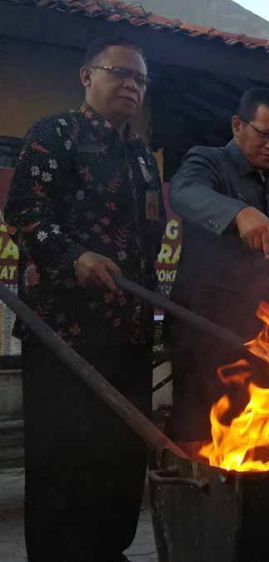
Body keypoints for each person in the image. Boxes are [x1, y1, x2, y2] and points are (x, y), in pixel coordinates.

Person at [5, 36, 163, 561]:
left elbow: (150, 234)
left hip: (130, 330)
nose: (131, 86)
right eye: (120, 73)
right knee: (64, 456)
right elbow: (24, 212)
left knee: (121, 452)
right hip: (64, 332)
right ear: (86, 76)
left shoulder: (141, 153)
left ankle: (109, 550)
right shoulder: (56, 135)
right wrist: (75, 257)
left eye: (140, 79)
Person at [167, 87, 269, 441]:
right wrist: (239, 212)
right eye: (264, 134)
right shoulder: (208, 162)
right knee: (200, 427)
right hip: (206, 326)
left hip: (263, 334)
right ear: (237, 125)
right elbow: (183, 193)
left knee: (256, 429)